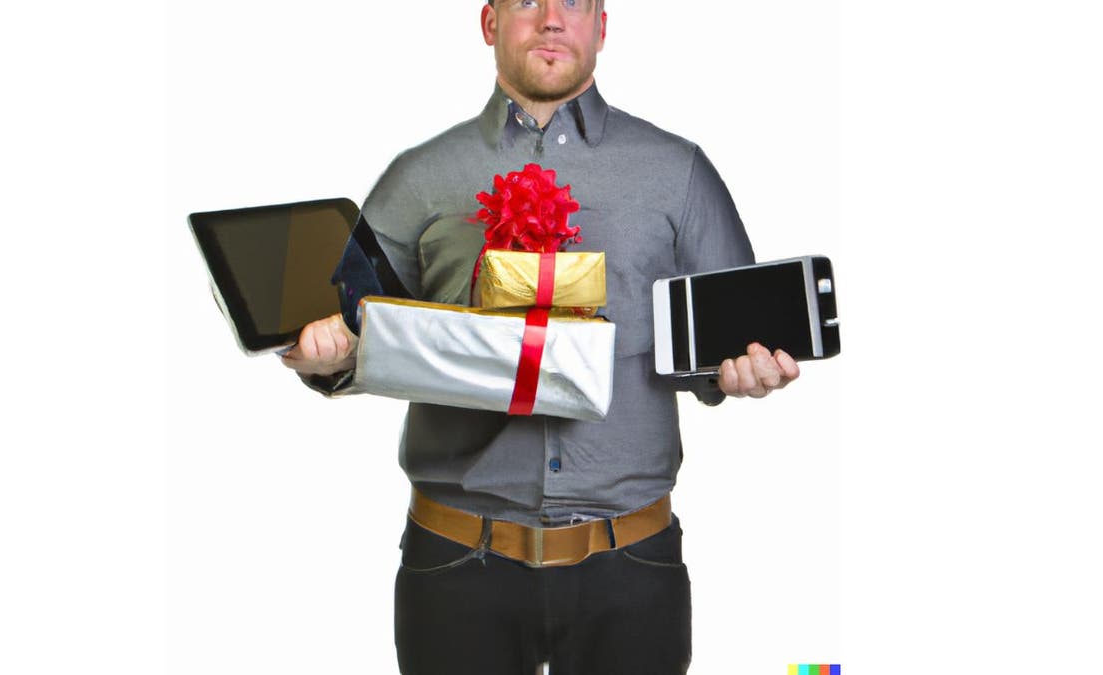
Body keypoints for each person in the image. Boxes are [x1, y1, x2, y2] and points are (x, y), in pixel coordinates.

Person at [283, 1, 799, 673]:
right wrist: (323, 357)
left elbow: (726, 341)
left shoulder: (678, 172)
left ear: (602, 27)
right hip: (455, 566)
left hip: (631, 567)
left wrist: (739, 371)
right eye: (527, 0)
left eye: (574, 2)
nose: (552, 19)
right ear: (490, 24)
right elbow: (350, 329)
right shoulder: (418, 177)